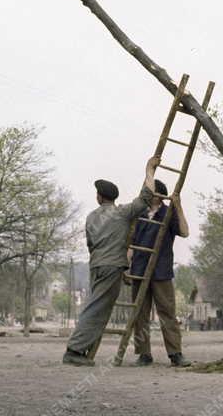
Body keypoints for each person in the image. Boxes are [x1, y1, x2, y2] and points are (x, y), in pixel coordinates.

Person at [62, 155, 159, 366]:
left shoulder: (91, 217)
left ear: (99, 197)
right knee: (96, 308)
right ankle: (74, 350)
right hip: (112, 266)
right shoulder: (121, 213)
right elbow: (146, 197)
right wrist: (149, 170)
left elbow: (90, 245)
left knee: (96, 306)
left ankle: (80, 348)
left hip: (96, 265)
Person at [127, 179, 191, 367]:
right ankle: (144, 354)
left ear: (159, 195)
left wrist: (177, 206)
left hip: (161, 270)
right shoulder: (139, 213)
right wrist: (126, 264)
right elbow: (131, 242)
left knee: (167, 313)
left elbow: (185, 232)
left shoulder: (168, 213)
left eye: (150, 191)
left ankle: (175, 353)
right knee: (140, 313)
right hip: (139, 269)